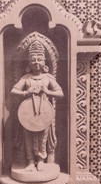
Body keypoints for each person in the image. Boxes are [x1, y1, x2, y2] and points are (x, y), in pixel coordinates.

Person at [9, 35, 64, 171]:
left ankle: (40, 160)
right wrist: (26, 93)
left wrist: (48, 91)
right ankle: (30, 162)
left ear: (44, 62)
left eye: (39, 59)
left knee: (42, 137)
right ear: (29, 63)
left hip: (44, 113)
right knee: (28, 137)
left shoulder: (47, 78)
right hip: (28, 113)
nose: (36, 62)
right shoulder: (26, 78)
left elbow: (60, 93)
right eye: (33, 60)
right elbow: (13, 90)